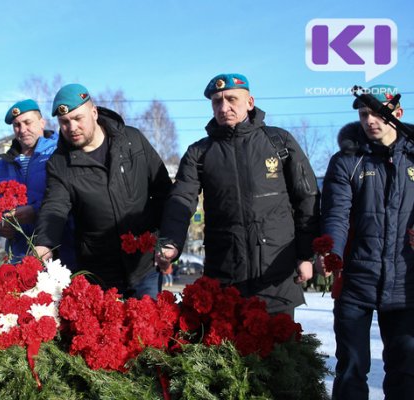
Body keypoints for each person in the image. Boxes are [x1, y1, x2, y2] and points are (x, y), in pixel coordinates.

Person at [156, 73, 319, 317]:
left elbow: (306, 198)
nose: (224, 107)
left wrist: (307, 255)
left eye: (232, 99)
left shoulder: (279, 142)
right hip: (225, 278)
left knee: (281, 353)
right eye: (217, 102)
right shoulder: (199, 153)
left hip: (275, 277)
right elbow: (182, 198)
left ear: (250, 102)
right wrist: (171, 241)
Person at [317, 84, 414, 399]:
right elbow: (336, 215)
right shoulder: (347, 160)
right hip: (356, 283)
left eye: (378, 113)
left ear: (397, 114)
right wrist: (331, 252)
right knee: (351, 368)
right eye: (364, 114)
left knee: (406, 369)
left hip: (407, 284)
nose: (371, 120)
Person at [33, 83, 172, 299]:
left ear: (94, 112)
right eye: (64, 122)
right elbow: (54, 207)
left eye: (78, 118)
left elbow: (163, 190)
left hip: (145, 266)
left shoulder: (132, 141)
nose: (72, 127)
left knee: (148, 330)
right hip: (101, 273)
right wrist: (44, 244)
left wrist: (167, 238)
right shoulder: (59, 164)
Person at [0, 99, 75, 267]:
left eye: (27, 122)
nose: (22, 130)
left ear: (42, 122)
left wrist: (36, 212)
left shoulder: (60, 153)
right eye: (17, 125)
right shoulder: (3, 164)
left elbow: (75, 199)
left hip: (61, 256)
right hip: (20, 258)